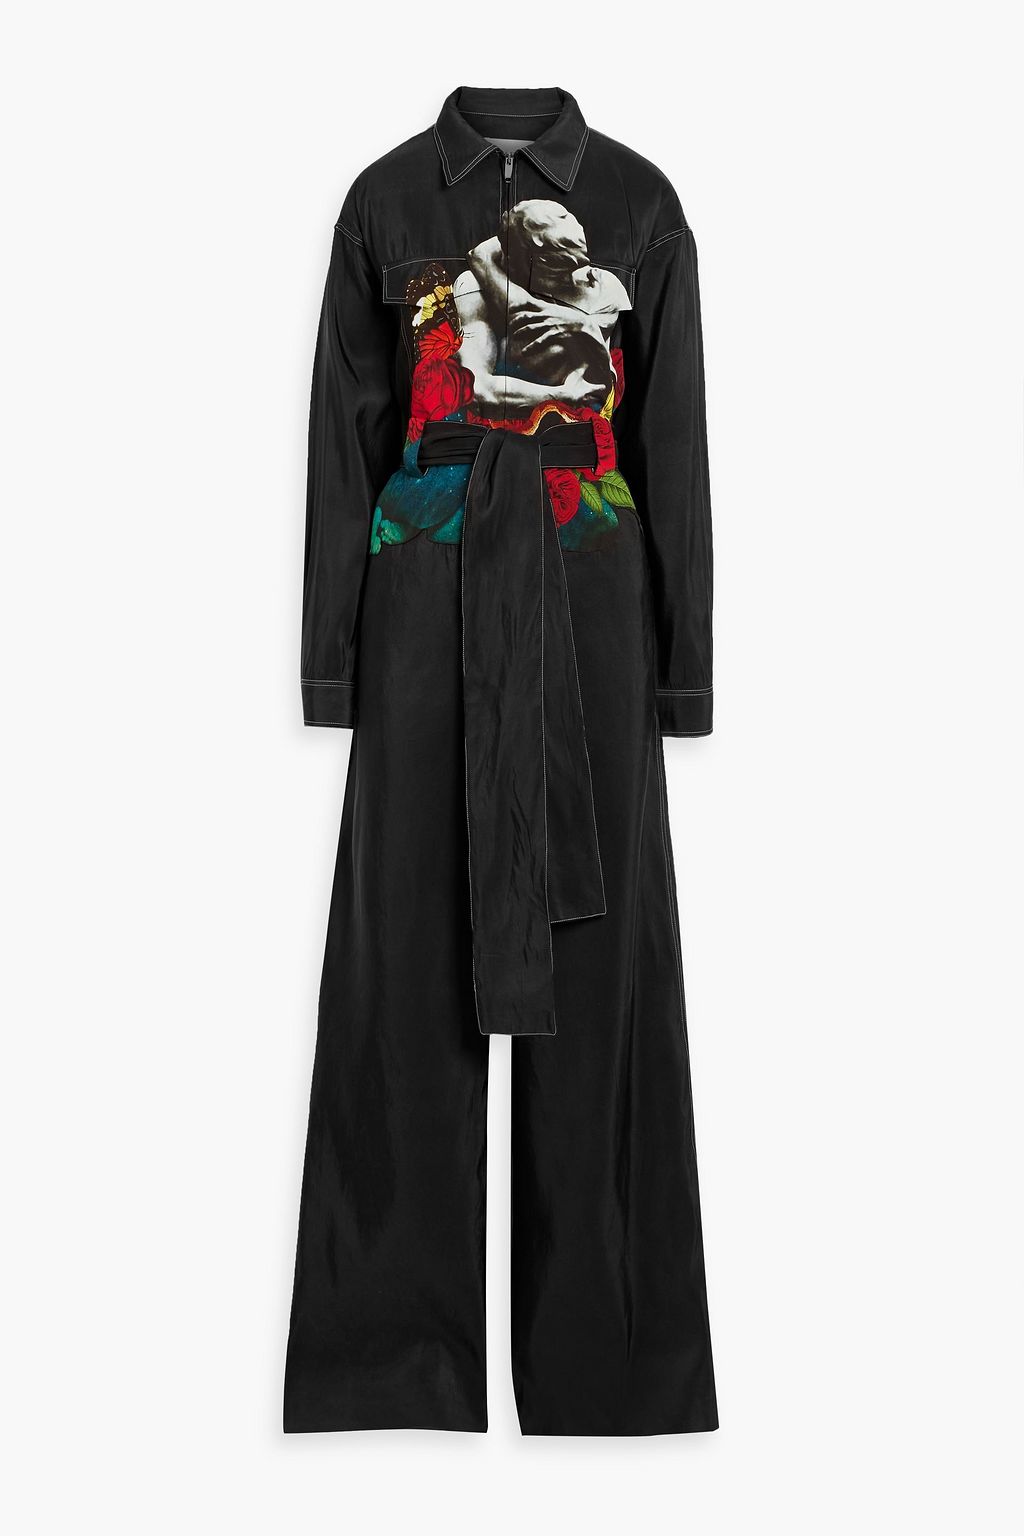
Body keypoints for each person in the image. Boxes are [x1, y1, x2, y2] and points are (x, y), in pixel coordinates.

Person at [452, 198, 631, 418]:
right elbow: (476, 389)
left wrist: (583, 326)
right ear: (519, 263)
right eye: (557, 274)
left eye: (573, 269)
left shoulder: (599, 285)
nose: (573, 278)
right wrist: (564, 396)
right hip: (500, 424)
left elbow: (601, 385)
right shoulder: (474, 287)